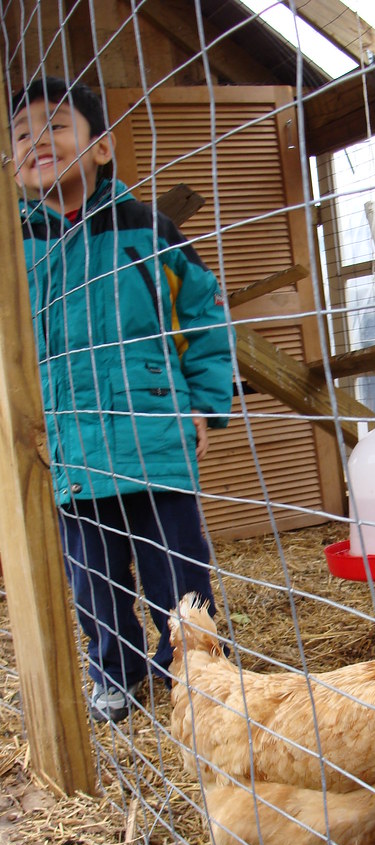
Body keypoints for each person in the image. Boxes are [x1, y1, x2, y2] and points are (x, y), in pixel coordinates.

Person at [11, 76, 234, 724]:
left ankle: (200, 674)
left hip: (156, 433)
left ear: (102, 147)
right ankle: (115, 671)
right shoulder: (14, 248)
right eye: (21, 134)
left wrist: (203, 404)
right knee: (93, 583)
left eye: (55, 125)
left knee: (179, 572)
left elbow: (206, 314)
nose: (36, 141)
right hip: (69, 444)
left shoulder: (145, 228)